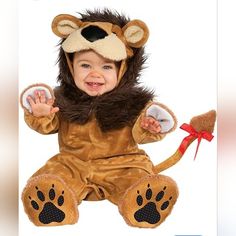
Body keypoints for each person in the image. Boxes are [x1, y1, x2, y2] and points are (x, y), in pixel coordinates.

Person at [21, 9, 179, 228]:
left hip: (122, 163)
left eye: (106, 67)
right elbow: (49, 126)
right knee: (54, 174)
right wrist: (41, 114)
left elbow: (140, 135)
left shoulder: (132, 104)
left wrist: (149, 127)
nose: (95, 74)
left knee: (135, 177)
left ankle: (141, 201)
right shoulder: (61, 100)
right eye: (85, 65)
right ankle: (54, 200)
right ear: (70, 66)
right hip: (73, 163)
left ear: (123, 70)